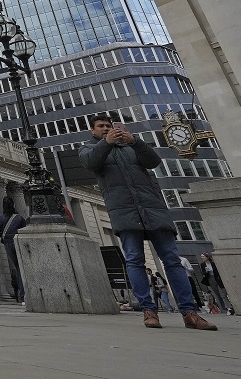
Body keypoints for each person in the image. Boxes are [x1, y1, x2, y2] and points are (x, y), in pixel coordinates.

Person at [79, 114, 216, 330]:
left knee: (172, 259)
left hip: (152, 208)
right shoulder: (89, 149)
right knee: (134, 259)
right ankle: (148, 310)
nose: (106, 129)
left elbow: (153, 161)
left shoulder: (131, 146)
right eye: (101, 127)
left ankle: (190, 312)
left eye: (109, 125)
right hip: (124, 210)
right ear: (92, 131)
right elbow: (90, 163)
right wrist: (107, 143)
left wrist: (135, 141)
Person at [0, 196, 27, 304]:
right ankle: (23, 295)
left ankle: (21, 297)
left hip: (8, 244)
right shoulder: (19, 218)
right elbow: (25, 231)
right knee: (22, 268)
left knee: (18, 267)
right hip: (18, 242)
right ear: (13, 204)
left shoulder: (0, 218)